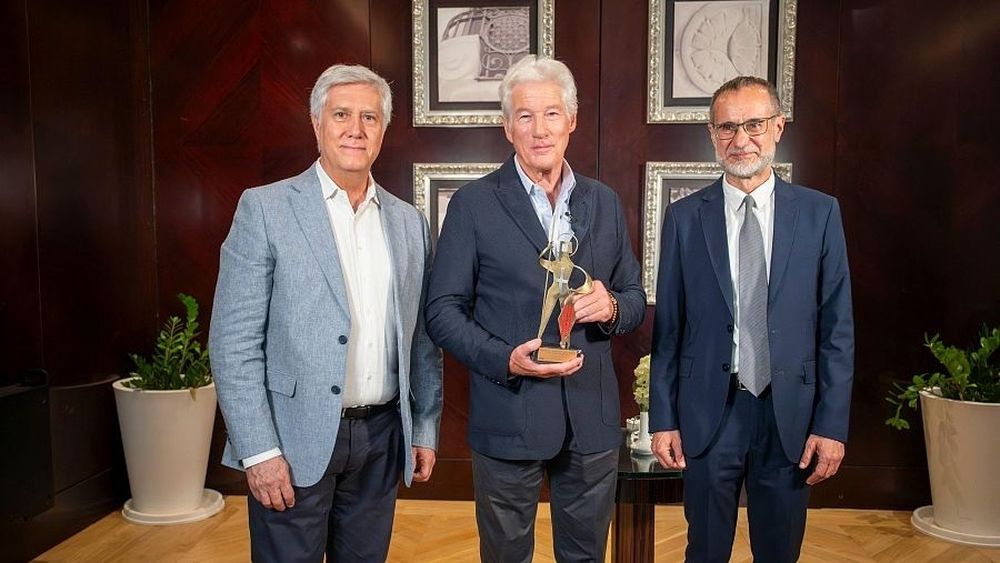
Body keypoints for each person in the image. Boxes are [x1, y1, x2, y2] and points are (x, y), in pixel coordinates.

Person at [209, 64, 443, 563]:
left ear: (383, 130)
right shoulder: (266, 209)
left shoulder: (409, 222)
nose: (355, 129)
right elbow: (233, 344)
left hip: (382, 439)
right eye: (341, 115)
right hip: (291, 440)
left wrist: (423, 427)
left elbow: (422, 340)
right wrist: (259, 450)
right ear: (317, 124)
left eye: (369, 117)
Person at [425, 55, 646, 562]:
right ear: (508, 127)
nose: (540, 129)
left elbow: (634, 299)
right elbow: (442, 311)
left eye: (551, 114)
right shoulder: (473, 205)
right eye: (525, 116)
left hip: (591, 421)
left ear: (572, 121)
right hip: (508, 413)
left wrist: (611, 306)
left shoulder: (604, 202)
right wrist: (504, 359)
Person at [649, 75, 854, 562]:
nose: (740, 139)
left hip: (790, 416)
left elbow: (837, 329)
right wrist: (664, 419)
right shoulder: (684, 219)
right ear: (712, 135)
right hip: (709, 412)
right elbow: (669, 328)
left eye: (754, 124)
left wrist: (832, 425)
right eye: (727, 127)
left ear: (778, 127)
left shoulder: (820, 214)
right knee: (704, 551)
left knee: (779, 552)